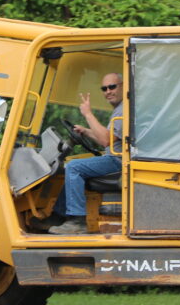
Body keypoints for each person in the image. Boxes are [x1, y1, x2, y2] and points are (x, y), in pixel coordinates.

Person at [48, 72, 124, 235]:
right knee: (74, 167)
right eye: (104, 88)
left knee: (74, 167)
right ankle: (57, 216)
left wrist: (88, 114)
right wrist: (85, 132)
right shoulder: (120, 109)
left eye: (112, 87)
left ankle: (77, 221)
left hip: (118, 160)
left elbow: (105, 140)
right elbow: (110, 138)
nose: (108, 91)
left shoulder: (123, 110)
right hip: (115, 157)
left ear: (123, 86)